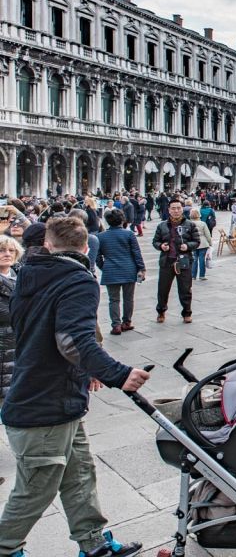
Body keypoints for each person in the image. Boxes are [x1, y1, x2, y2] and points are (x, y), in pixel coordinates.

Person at [0, 216, 149, 557]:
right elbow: (71, 341)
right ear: (86, 248)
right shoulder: (78, 279)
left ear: (48, 245)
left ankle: (93, 542)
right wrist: (116, 372)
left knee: (79, 474)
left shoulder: (27, 275)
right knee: (36, 489)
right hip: (43, 405)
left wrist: (87, 371)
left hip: (58, 398)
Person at [96, 209, 146, 335]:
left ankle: (116, 325)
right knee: (128, 298)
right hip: (129, 269)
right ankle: (127, 322)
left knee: (113, 299)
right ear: (122, 220)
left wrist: (104, 266)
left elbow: (98, 257)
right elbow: (136, 253)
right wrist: (141, 268)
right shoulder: (129, 234)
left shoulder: (100, 236)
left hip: (111, 271)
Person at [152, 198, 200, 324]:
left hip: (184, 262)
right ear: (169, 210)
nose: (176, 211)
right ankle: (161, 311)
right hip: (167, 261)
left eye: (178, 208)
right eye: (173, 208)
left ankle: (187, 313)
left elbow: (196, 241)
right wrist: (161, 246)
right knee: (163, 289)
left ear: (182, 209)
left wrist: (188, 246)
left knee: (185, 289)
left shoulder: (190, 224)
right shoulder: (162, 225)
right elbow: (155, 241)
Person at [0, 235, 22, 411]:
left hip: (18, 349)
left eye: (11, 250)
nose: (7, 254)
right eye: (1, 250)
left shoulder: (22, 277)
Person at [189, 208, 212, 281]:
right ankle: (202, 275)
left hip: (193, 243)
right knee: (202, 259)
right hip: (203, 243)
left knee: (194, 259)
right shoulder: (203, 223)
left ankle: (193, 275)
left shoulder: (189, 223)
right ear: (198, 215)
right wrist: (210, 243)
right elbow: (207, 234)